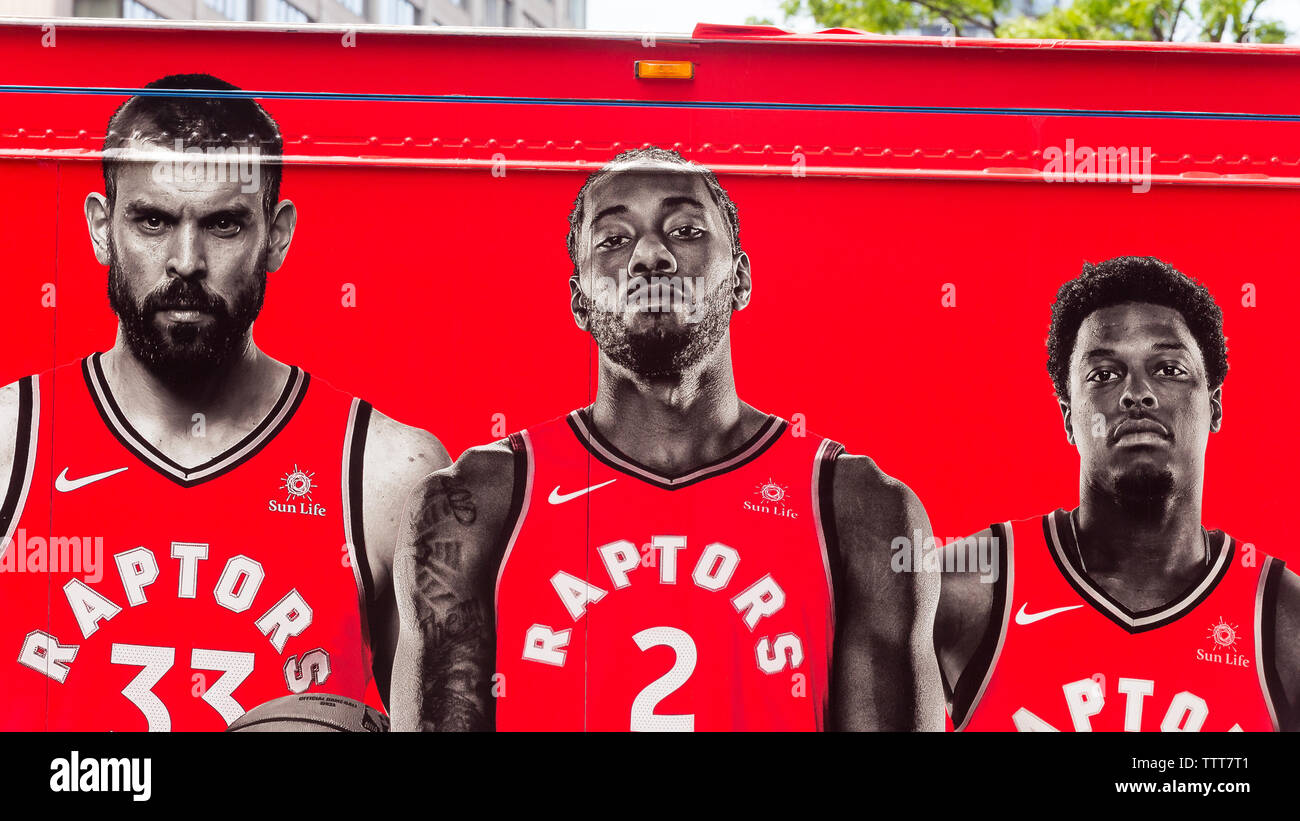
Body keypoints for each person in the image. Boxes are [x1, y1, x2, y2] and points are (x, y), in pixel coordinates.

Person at [391, 146, 942, 731]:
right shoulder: (476, 505)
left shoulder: (858, 507)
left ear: (742, 279)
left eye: (684, 230)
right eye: (613, 240)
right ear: (579, 299)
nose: (650, 256)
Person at [0, 74, 448, 730]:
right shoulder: (12, 445)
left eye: (224, 223)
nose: (187, 260)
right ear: (101, 229)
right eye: (152, 220)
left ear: (277, 235)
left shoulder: (386, 473)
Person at [936, 256, 1300, 731]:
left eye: (1169, 368)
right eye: (1104, 374)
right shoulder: (969, 593)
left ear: (1214, 406)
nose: (1138, 393)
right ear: (1068, 415)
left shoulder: (1281, 621)